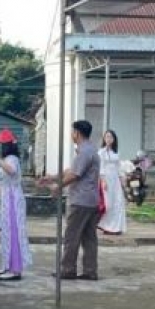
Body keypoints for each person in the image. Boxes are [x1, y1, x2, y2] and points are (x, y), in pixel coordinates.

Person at [43, 120, 101, 280]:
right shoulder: (90, 150)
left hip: (80, 200)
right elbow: (72, 170)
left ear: (77, 133)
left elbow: (75, 175)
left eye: (72, 132)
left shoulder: (84, 152)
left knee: (72, 236)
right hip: (91, 200)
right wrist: (53, 177)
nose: (71, 135)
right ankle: (90, 270)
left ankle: (68, 269)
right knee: (89, 237)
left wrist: (57, 186)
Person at [0, 139, 31, 281]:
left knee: (14, 232)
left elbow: (11, 170)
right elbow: (0, 185)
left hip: (13, 200)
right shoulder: (6, 160)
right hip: (6, 200)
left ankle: (15, 269)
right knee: (7, 232)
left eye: (1, 145)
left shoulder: (13, 159)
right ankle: (8, 264)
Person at [97, 129, 127, 235]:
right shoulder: (101, 152)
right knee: (108, 203)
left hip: (115, 180)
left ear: (114, 139)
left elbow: (119, 166)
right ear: (104, 139)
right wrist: (103, 180)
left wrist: (122, 178)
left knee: (118, 202)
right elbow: (100, 167)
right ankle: (107, 226)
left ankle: (117, 227)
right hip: (106, 180)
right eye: (107, 137)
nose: (109, 139)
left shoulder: (116, 152)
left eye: (111, 137)